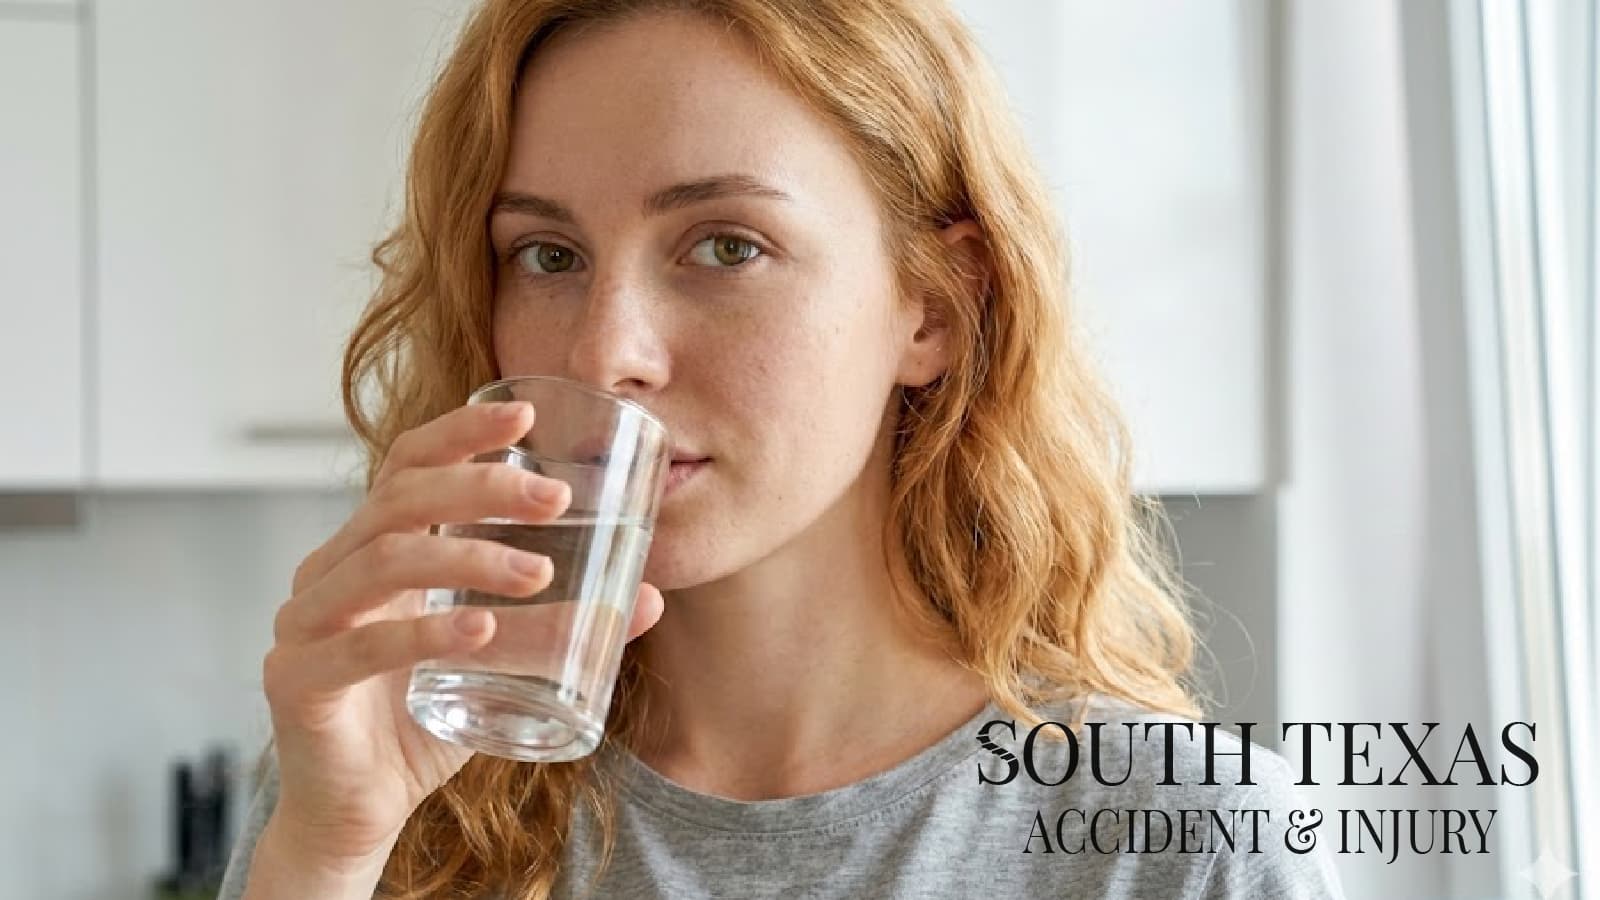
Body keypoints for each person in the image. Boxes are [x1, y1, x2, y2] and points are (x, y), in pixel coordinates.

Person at [219, 1, 1346, 897]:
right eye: (548, 255)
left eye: (725, 245)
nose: (607, 352)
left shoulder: (1167, 840)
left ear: (934, 308)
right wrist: (322, 857)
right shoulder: (391, 792)